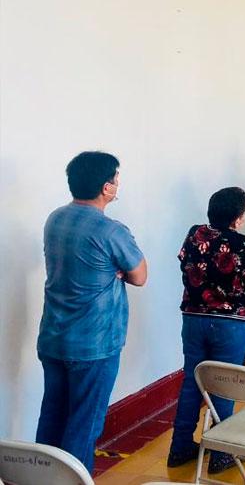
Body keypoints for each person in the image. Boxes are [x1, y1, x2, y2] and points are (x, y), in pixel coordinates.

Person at [36, 151, 147, 473]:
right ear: (106, 188)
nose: (118, 184)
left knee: (52, 418)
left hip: (53, 338)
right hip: (94, 345)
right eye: (116, 179)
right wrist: (118, 270)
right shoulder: (111, 231)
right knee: (83, 427)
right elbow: (140, 276)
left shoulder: (55, 219)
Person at [168, 187, 245, 475]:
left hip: (193, 318)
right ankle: (221, 454)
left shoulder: (195, 234)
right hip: (231, 322)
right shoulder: (244, 244)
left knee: (191, 381)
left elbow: (184, 263)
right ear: (236, 217)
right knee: (224, 383)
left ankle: (180, 447)